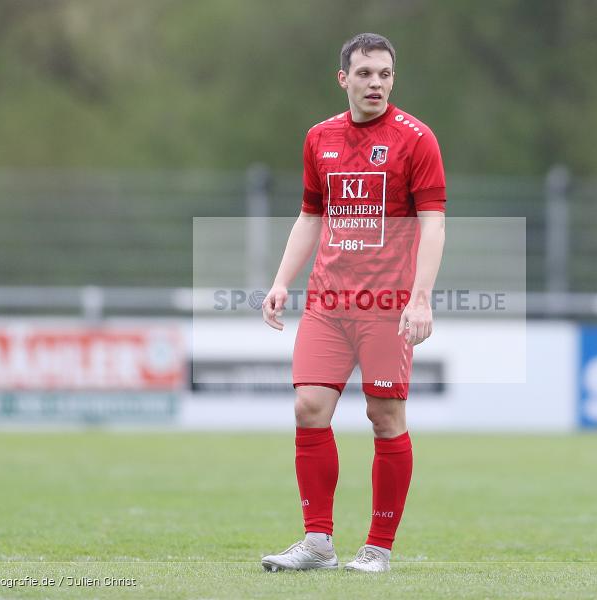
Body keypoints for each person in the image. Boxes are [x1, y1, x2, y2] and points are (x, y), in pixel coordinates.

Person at [259, 32, 446, 573]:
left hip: (387, 304)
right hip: (327, 302)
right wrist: (281, 280)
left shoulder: (416, 139)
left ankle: (378, 548)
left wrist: (421, 298)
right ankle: (317, 542)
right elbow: (311, 215)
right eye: (365, 73)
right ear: (344, 78)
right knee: (308, 407)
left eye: (385, 74)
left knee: (384, 416)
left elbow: (433, 223)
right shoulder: (319, 138)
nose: (376, 84)